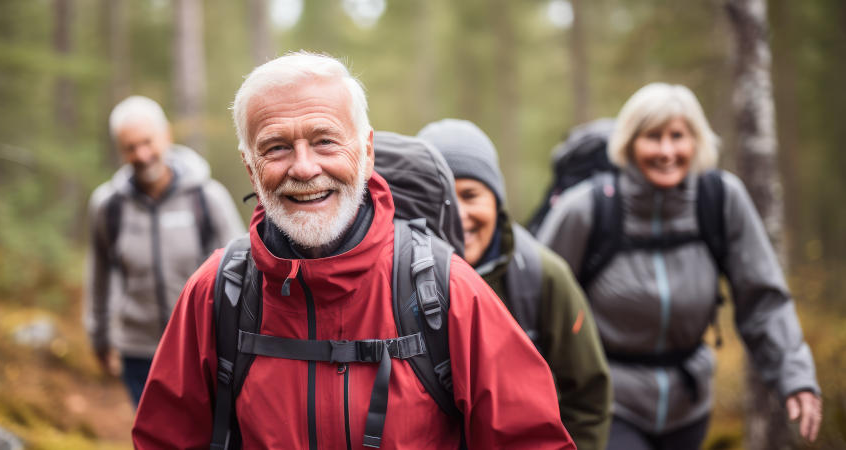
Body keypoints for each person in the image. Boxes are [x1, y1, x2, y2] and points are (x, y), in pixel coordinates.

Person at [132, 51, 576, 449]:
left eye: (325, 140)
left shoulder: (448, 290)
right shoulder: (215, 294)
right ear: (251, 170)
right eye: (276, 148)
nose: (304, 168)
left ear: (366, 152)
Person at [535, 83, 822, 449]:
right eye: (653, 137)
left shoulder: (719, 200)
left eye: (678, 136)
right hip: (606, 398)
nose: (667, 151)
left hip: (689, 402)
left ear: (696, 141)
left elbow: (762, 299)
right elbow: (536, 300)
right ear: (629, 143)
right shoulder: (586, 209)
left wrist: (795, 375)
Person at [417, 119, 612, 450]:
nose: (458, 213)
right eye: (442, 196)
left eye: (470, 195)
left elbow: (587, 398)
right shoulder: (391, 280)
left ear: (496, 200)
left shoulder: (542, 276)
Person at [84, 95, 246, 408]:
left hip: (202, 347)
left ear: (167, 136)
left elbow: (242, 270)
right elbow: (99, 275)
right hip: (139, 351)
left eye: (148, 141)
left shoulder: (208, 198)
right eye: (131, 147)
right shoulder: (108, 206)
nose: (142, 154)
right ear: (120, 150)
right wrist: (100, 338)